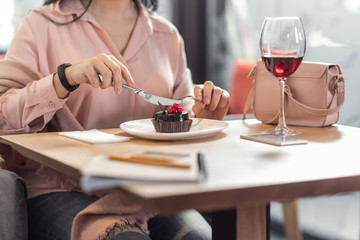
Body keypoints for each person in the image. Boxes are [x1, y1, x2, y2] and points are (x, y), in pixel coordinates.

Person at [0, 0, 230, 239]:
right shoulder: (40, 25)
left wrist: (203, 118)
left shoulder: (167, 35)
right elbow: (3, 120)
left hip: (146, 190)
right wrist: (64, 78)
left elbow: (182, 116)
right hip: (60, 188)